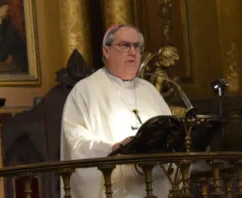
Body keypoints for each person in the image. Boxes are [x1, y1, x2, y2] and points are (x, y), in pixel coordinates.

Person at [60, 24, 173, 198]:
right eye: (125, 45)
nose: (133, 52)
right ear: (106, 51)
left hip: (154, 187)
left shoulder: (149, 90)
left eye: (137, 47)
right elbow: (75, 143)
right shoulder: (85, 91)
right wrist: (112, 148)